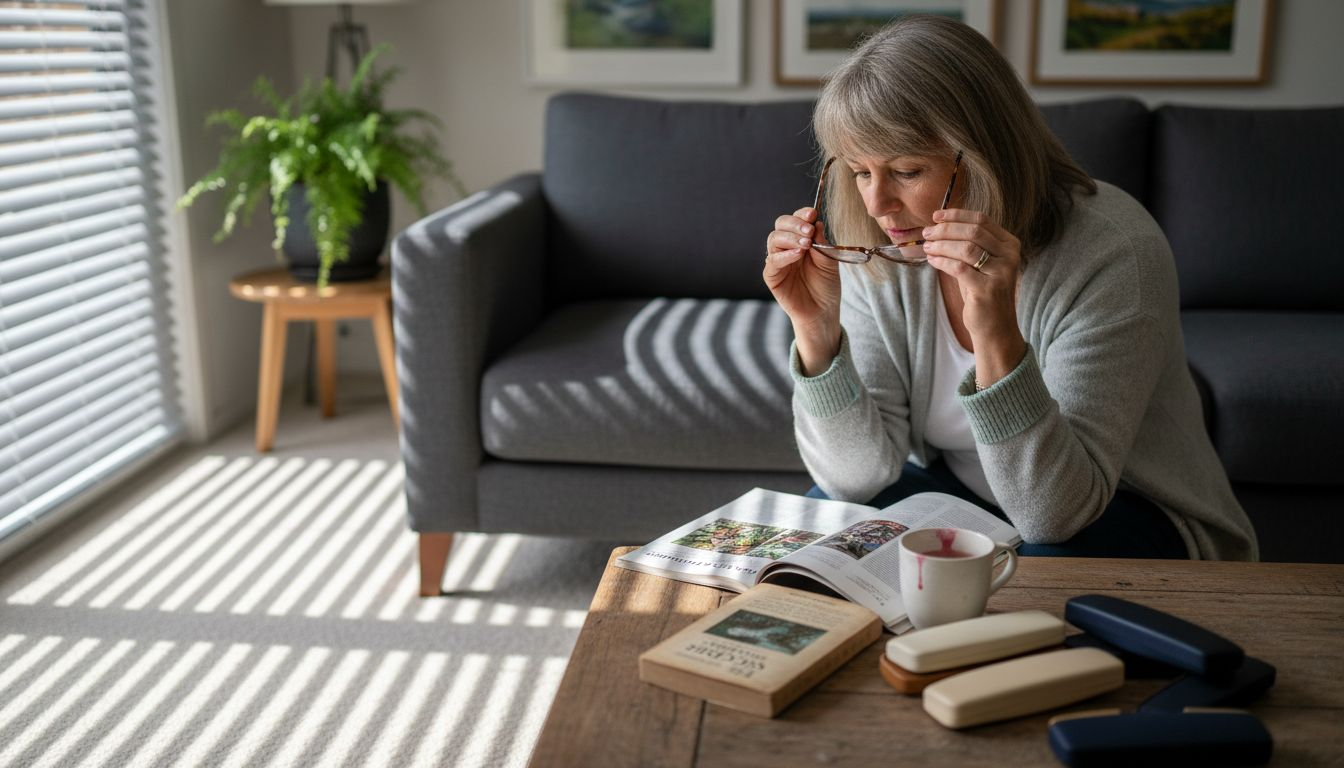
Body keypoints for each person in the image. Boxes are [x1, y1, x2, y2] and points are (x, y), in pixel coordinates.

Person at [762, 16, 1256, 560]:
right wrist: (816, 331)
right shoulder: (883, 246)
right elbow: (854, 482)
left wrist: (995, 331)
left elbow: (1055, 514)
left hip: (1120, 507)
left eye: (906, 171)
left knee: (1031, 575)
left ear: (983, 156)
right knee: (825, 533)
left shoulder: (1114, 250)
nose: (877, 206)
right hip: (962, 498)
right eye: (859, 172)